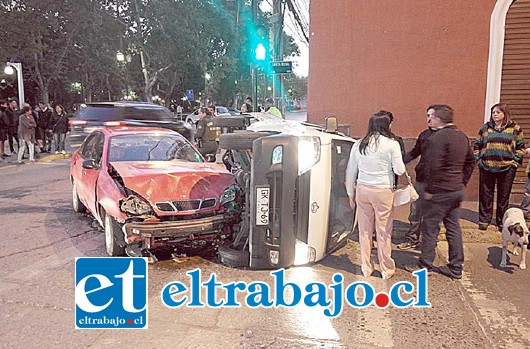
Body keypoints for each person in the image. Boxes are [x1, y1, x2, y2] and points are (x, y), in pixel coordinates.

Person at [406, 105, 475, 279]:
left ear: (438, 118)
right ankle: (456, 267)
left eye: (431, 116)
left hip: (439, 192)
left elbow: (432, 166)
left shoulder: (437, 138)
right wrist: (462, 182)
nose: (428, 120)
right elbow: (471, 162)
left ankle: (424, 266)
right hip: (456, 190)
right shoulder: (462, 136)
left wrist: (430, 190)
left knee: (430, 227)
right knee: (453, 227)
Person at [345, 111, 406, 279]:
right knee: (383, 231)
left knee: (364, 231)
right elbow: (400, 169)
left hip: (362, 190)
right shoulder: (391, 144)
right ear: (387, 126)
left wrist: (350, 194)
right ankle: (386, 269)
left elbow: (351, 171)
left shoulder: (358, 144)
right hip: (383, 191)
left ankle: (366, 267)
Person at [474, 103, 525, 230]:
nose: (495, 114)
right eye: (493, 112)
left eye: (498, 112)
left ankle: (501, 221)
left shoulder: (515, 128)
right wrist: (479, 160)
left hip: (507, 168)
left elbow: (521, 148)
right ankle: (484, 220)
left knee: (503, 195)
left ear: (505, 114)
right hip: (487, 166)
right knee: (485, 194)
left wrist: (515, 162)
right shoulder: (485, 128)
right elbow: (477, 145)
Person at [397, 106, 437, 250]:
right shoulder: (424, 135)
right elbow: (414, 153)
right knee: (415, 211)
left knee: (432, 214)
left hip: (438, 184)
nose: (429, 119)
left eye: (432, 116)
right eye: (427, 115)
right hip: (421, 180)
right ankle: (412, 238)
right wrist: (399, 161)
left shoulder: (447, 137)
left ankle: (429, 243)